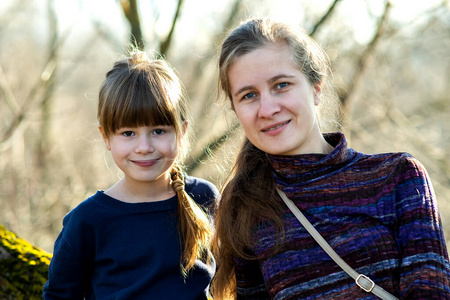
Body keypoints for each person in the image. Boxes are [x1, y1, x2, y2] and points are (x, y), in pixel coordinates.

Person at [211, 17, 450, 299]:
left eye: (281, 85)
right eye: (249, 95)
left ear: (316, 88)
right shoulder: (246, 208)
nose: (267, 108)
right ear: (236, 110)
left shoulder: (398, 177)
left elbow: (431, 292)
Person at [43, 50, 219, 299]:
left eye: (159, 131)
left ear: (181, 133)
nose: (144, 147)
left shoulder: (203, 197)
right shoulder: (88, 221)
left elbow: (228, 279)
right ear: (106, 137)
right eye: (128, 133)